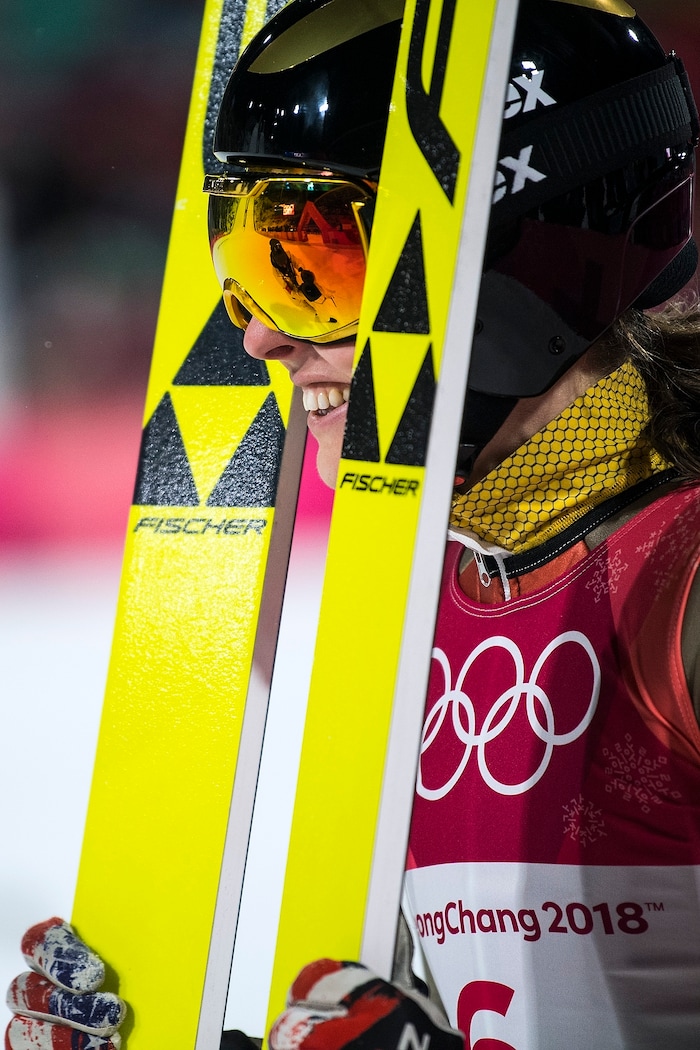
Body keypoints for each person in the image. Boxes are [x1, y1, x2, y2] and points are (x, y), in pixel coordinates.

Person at [7, 0, 700, 1047]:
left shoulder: (678, 586)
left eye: (315, 258)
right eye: (241, 260)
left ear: (522, 247)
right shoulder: (432, 602)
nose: (256, 333)